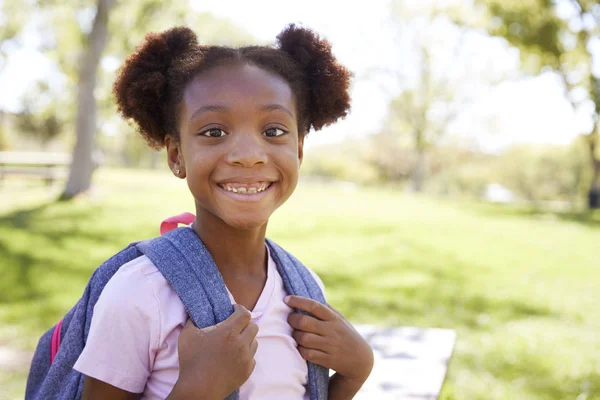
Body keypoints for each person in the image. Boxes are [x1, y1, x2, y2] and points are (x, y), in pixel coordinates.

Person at [73, 24, 374, 400]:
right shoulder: (140, 293)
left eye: (274, 131)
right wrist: (197, 390)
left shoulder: (304, 290)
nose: (248, 154)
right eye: (214, 132)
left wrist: (354, 374)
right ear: (176, 155)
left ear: (299, 150)